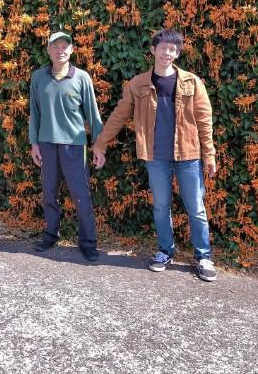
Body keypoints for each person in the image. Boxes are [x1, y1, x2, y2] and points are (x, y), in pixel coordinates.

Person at [91, 29, 218, 281]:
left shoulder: (193, 83)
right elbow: (119, 116)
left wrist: (209, 155)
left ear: (177, 53)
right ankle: (165, 251)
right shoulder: (137, 84)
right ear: (153, 50)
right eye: (163, 48)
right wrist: (100, 144)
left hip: (188, 155)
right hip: (155, 157)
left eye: (172, 49)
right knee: (161, 207)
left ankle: (203, 256)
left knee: (196, 208)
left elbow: (205, 121)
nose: (167, 53)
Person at [29, 31, 104, 261]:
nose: (60, 50)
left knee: (81, 195)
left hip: (74, 145)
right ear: (48, 50)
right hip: (47, 144)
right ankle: (51, 234)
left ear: (71, 50)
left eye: (64, 47)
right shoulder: (38, 78)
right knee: (49, 193)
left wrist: (99, 146)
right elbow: (34, 113)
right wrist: (34, 143)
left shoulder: (81, 78)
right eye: (55, 46)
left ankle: (88, 242)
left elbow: (93, 114)